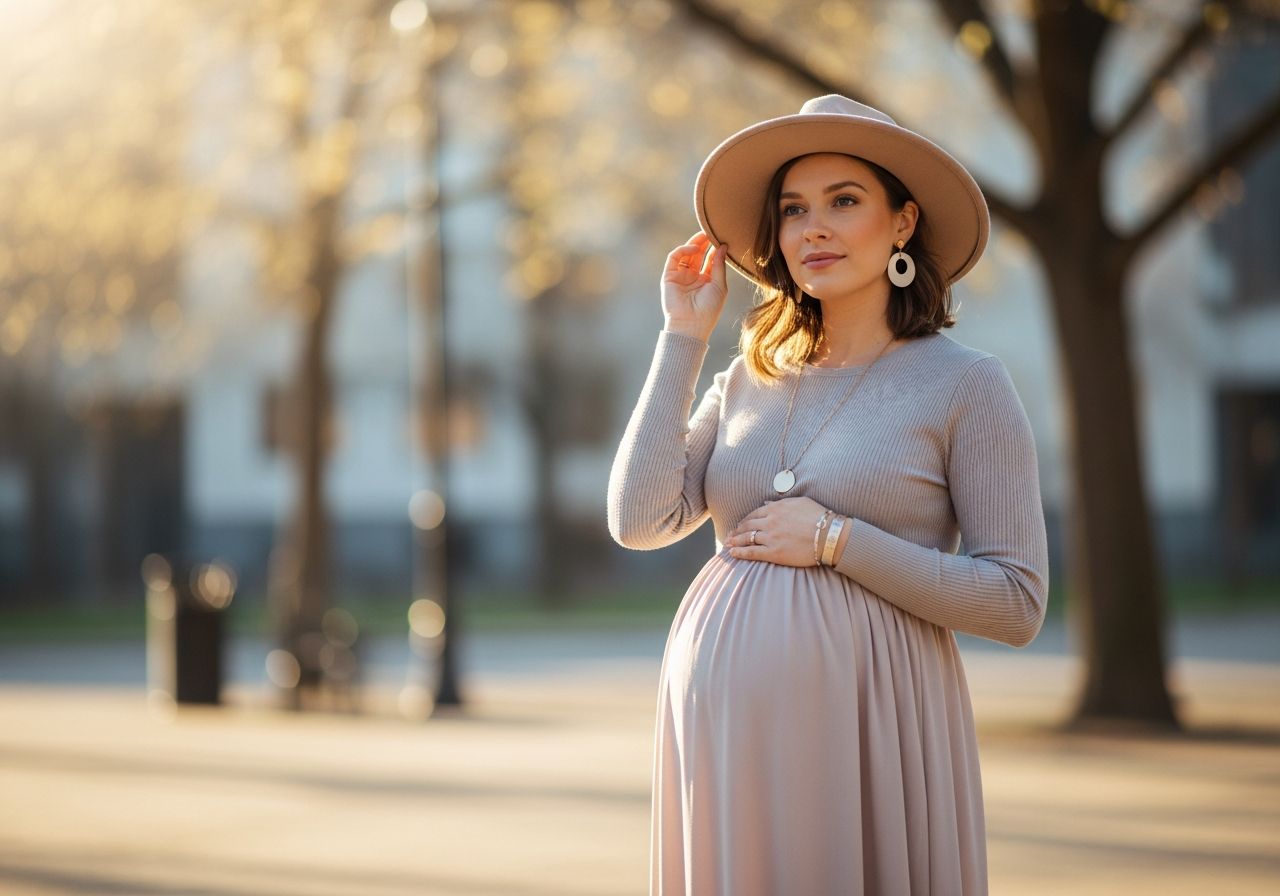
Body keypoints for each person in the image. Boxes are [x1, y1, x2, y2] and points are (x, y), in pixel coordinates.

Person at [607, 95, 1049, 895]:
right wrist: (683, 337)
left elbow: (1017, 601)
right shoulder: (746, 378)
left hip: (871, 730)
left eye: (845, 201)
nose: (814, 228)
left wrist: (836, 541)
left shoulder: (967, 385)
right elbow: (638, 521)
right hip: (725, 739)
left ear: (903, 223)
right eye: (793, 210)